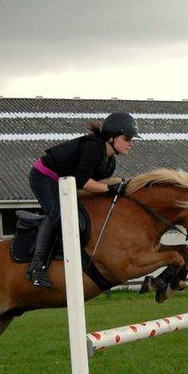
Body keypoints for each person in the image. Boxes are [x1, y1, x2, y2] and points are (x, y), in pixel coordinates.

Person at [26, 112, 139, 287]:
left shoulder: (110, 163)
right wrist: (109, 188)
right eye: (127, 138)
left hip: (66, 182)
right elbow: (82, 181)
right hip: (44, 176)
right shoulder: (94, 148)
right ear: (111, 138)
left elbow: (91, 186)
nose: (131, 143)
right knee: (59, 213)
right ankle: (36, 266)